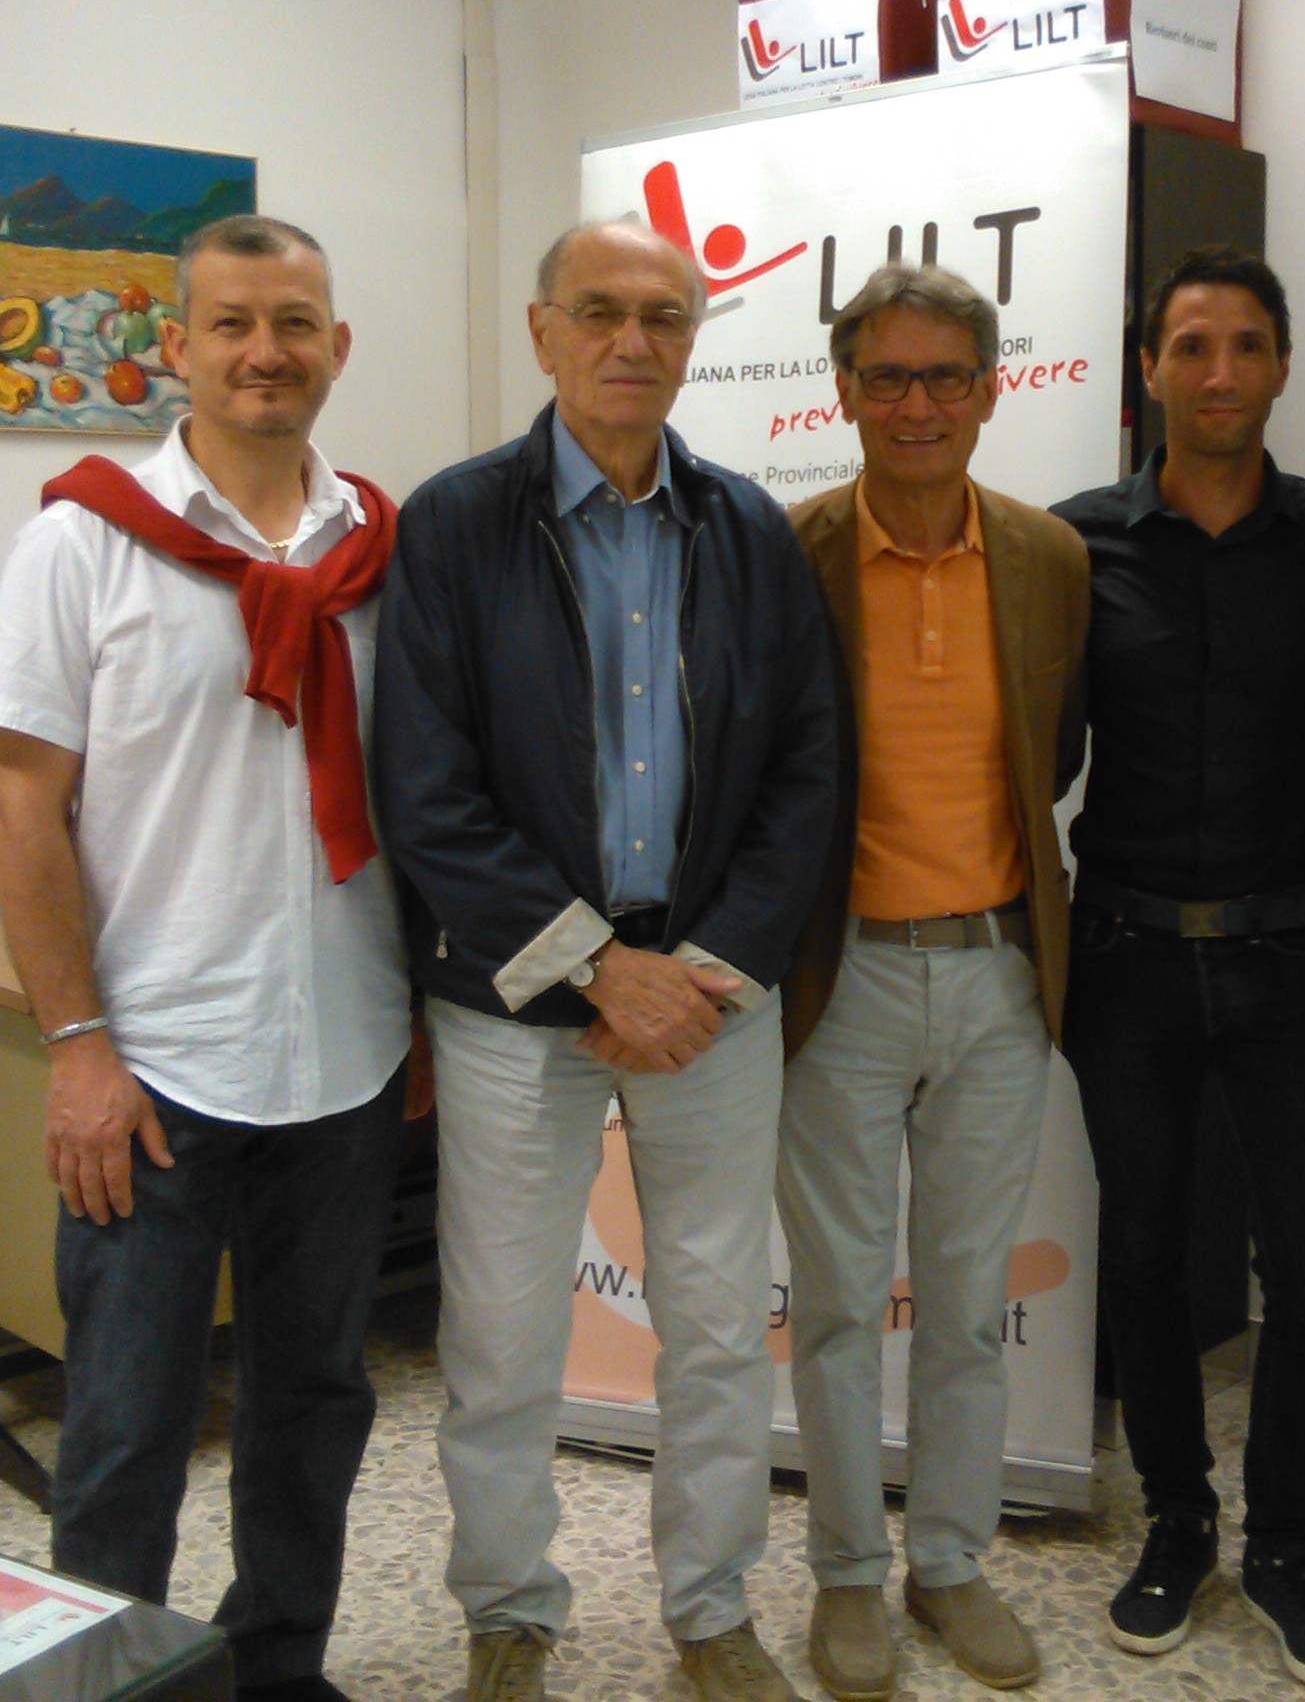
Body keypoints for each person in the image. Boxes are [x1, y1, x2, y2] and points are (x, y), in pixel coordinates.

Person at [371, 220, 840, 1702]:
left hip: (710, 1000)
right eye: (599, 312)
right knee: (503, 1335)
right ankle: (509, 1609)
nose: (632, 341)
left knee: (717, 1328)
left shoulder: (748, 529)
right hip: (517, 1001)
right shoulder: (454, 525)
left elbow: (809, 773)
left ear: (694, 337)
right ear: (542, 331)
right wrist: (595, 967)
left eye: (663, 315)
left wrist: (708, 964)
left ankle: (712, 1608)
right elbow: (425, 790)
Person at [0, 215, 411, 1702]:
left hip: (348, 1055)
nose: (264, 352)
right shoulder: (80, 541)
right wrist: (75, 1047)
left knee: (315, 1405)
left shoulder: (384, 550)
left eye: (294, 322)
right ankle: (114, 1685)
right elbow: (23, 806)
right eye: (231, 324)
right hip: (153, 1071)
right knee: (124, 1426)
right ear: (176, 347)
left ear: (337, 347)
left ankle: (279, 1666)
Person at [1051, 247, 1305, 1695]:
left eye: (1247, 345)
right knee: (1141, 1257)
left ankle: (1288, 1550)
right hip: (1124, 954)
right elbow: (1028, 756)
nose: (1219, 372)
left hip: (1289, 952)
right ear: (1149, 367)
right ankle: (1177, 1524)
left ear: (1283, 366)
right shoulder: (1074, 546)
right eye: (1191, 345)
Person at [776, 264, 1090, 1700]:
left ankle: (950, 1561)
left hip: (995, 980)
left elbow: (1053, 752)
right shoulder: (789, 554)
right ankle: (849, 1575)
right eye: (889, 377)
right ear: (844, 392)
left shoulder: (1046, 557)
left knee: (965, 1306)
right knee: (843, 1304)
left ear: (990, 390)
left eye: (946, 376)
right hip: (838, 982)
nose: (918, 405)